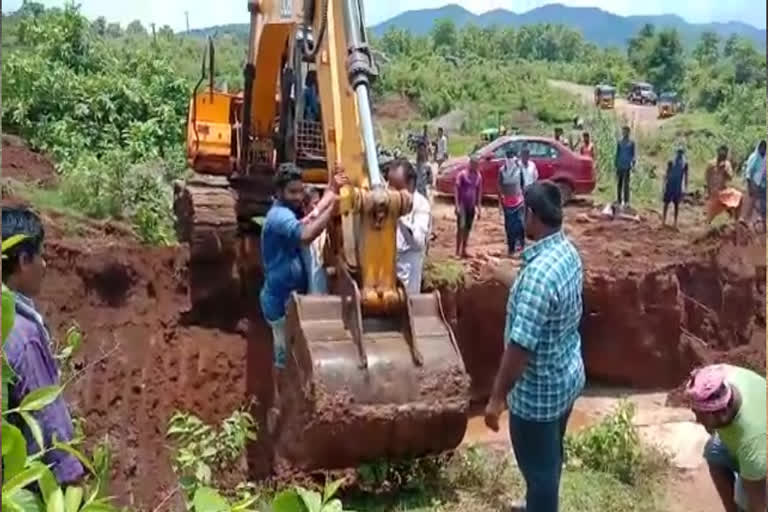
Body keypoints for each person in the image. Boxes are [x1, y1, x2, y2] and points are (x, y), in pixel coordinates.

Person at [485, 181, 585, 512]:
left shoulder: (537, 278)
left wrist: (498, 398)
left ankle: (539, 504)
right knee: (550, 457)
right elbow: (544, 302)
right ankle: (536, 503)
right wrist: (502, 275)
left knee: (539, 472)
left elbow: (519, 348)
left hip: (537, 400)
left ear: (531, 214)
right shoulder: (566, 253)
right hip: (566, 381)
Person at [2, 207, 85, 486]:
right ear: (24, 260)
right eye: (40, 254)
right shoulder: (23, 337)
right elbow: (52, 431)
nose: (45, 264)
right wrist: (73, 486)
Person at [260, 163, 345, 431]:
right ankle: (278, 405)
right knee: (282, 355)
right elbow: (307, 233)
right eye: (293, 191)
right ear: (279, 191)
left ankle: (294, 399)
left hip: (292, 299)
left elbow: (309, 217)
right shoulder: (278, 217)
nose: (299, 196)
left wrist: (332, 191)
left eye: (300, 191)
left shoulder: (289, 212)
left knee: (293, 351)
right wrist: (332, 208)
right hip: (279, 302)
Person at [684, 364, 766, 512]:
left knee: (746, 502)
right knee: (714, 450)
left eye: (699, 415)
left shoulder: (751, 444)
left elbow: (759, 505)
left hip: (761, 454)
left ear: (719, 415)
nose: (697, 420)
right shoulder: (723, 378)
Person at [388, 159, 431, 294]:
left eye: (398, 188)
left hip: (408, 275)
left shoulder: (421, 205)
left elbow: (417, 243)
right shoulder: (384, 202)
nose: (392, 192)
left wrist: (399, 215)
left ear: (411, 184)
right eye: (390, 186)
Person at [498, 145, 539, 256]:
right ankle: (511, 247)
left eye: (512, 157)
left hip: (519, 201)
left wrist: (523, 197)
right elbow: (500, 186)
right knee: (509, 226)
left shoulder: (519, 169)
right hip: (507, 202)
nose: (510, 159)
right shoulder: (502, 171)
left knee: (519, 224)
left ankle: (521, 245)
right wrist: (500, 200)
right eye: (508, 157)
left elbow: (522, 183)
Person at [301, 186, 329, 294]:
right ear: (304, 207)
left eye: (317, 203)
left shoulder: (328, 230)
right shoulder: (301, 230)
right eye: (313, 204)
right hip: (311, 291)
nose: (316, 208)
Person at [454, 155, 483, 258]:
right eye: (474, 164)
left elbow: (479, 192)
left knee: (467, 228)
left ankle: (464, 249)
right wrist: (457, 205)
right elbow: (456, 190)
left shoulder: (478, 176)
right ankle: (457, 251)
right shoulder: (462, 175)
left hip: (471, 206)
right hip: (462, 204)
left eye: (477, 165)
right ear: (470, 164)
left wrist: (479, 208)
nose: (475, 167)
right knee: (461, 227)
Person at [705, 145, 740, 224]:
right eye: (721, 155)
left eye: (724, 155)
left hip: (723, 191)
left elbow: (730, 177)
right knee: (711, 215)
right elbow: (707, 178)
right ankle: (708, 227)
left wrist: (725, 171)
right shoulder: (711, 164)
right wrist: (709, 190)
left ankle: (733, 223)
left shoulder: (727, 165)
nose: (723, 156)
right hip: (714, 192)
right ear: (718, 153)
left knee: (736, 198)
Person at [740, 140, 766, 231]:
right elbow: (748, 172)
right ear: (759, 148)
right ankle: (745, 220)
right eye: (761, 147)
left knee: (762, 205)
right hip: (754, 182)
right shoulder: (754, 158)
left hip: (763, 184)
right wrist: (749, 185)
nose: (763, 149)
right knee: (752, 202)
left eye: (765, 147)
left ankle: (760, 223)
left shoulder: (765, 158)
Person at [662, 147, 689, 229]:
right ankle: (663, 221)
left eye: (681, 153)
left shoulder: (685, 164)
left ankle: (675, 223)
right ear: (676, 153)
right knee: (666, 203)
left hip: (678, 186)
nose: (679, 155)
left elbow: (686, 176)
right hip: (670, 185)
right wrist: (664, 185)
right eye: (678, 153)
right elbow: (666, 173)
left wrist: (685, 187)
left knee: (676, 205)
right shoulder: (671, 162)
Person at [614, 125, 636, 208]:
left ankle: (626, 201)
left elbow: (633, 155)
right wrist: (615, 163)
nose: (624, 133)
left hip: (627, 166)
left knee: (626, 184)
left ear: (628, 132)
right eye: (623, 131)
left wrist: (633, 165)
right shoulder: (619, 142)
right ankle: (619, 200)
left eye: (625, 131)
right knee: (619, 184)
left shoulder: (631, 143)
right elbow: (617, 153)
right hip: (620, 165)